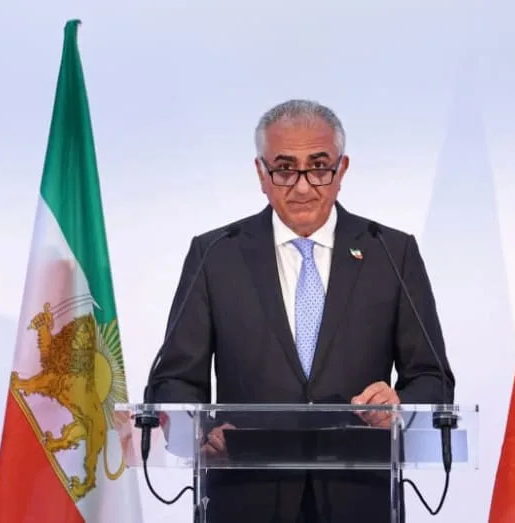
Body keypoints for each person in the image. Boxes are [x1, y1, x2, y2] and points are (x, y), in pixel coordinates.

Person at [149, 99, 455, 522]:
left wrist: (398, 404)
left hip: (359, 499)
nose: (303, 185)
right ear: (261, 173)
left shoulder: (390, 251)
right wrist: (198, 432)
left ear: (342, 170)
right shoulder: (217, 254)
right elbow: (174, 380)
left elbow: (434, 379)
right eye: (285, 168)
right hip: (246, 498)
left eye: (319, 166)